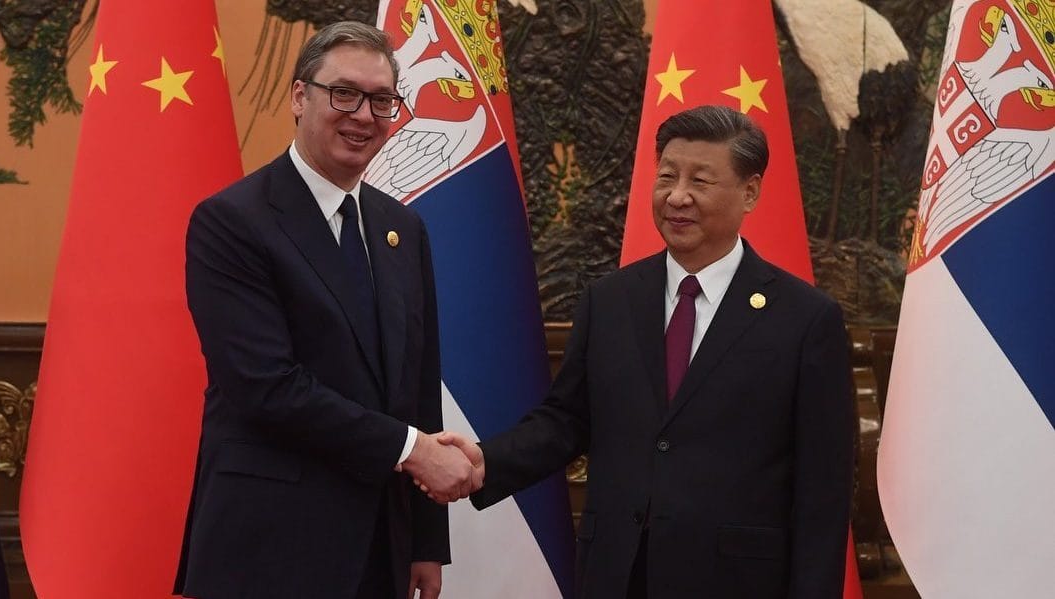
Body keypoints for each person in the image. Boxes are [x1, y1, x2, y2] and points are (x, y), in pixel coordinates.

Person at [436, 105, 855, 598]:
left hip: (737, 582)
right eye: (667, 177)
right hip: (618, 574)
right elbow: (567, 420)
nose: (678, 196)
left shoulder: (805, 319)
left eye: (700, 180)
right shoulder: (610, 299)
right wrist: (485, 462)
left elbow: (823, 494)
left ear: (750, 191)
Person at [174, 21, 477, 599]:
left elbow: (417, 389)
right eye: (344, 93)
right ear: (298, 96)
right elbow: (265, 386)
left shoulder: (402, 229)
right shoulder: (232, 222)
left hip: (377, 547)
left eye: (382, 100)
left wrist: (424, 543)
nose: (363, 115)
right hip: (268, 544)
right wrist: (413, 452)